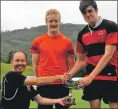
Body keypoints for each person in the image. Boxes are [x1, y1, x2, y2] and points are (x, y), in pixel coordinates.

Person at [64, 0, 118, 108]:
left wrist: (90, 77)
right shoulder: (82, 34)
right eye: (84, 13)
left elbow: (108, 55)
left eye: (90, 11)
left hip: (111, 76)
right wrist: (69, 74)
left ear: (96, 10)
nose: (88, 14)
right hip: (92, 79)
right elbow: (81, 61)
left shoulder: (111, 26)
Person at [30, 9, 75, 109]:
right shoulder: (37, 41)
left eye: (56, 21)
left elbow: (72, 65)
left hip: (62, 84)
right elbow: (35, 64)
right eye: (51, 21)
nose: (53, 23)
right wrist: (40, 80)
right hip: (44, 84)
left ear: (60, 22)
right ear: (46, 22)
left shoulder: (67, 42)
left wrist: (67, 78)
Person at [0, 51, 71, 109]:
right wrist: (59, 77)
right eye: (17, 60)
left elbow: (40, 100)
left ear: (26, 63)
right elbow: (37, 81)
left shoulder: (26, 83)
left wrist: (59, 100)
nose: (20, 63)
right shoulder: (10, 76)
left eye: (23, 61)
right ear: (11, 62)